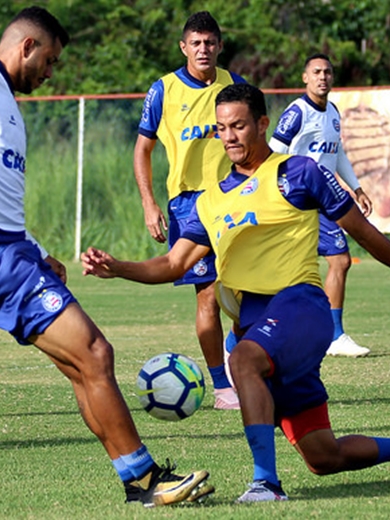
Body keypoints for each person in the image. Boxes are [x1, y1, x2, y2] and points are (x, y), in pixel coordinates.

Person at [81, 83, 390, 503]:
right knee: (323, 456)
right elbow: (172, 264)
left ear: (262, 124)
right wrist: (117, 267)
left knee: (242, 360)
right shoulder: (209, 202)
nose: (229, 137)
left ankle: (266, 483)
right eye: (221, 128)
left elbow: (365, 234)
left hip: (300, 307)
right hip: (256, 325)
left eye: (238, 126)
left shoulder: (297, 173)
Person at [0, 6, 210, 507]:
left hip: (11, 252)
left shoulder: (5, 106)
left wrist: (40, 251)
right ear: (27, 46)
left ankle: (137, 480)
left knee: (82, 366)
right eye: (50, 59)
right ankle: (148, 481)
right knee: (96, 353)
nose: (51, 72)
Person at [134, 11, 245, 409]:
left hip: (235, 198)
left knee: (249, 289)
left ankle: (236, 349)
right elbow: (142, 149)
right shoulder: (163, 89)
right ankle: (221, 387)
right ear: (184, 47)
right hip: (189, 205)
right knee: (208, 295)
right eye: (195, 43)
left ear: (219, 45)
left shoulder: (235, 86)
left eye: (210, 42)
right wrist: (149, 204)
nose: (203, 49)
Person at [269, 53, 374, 358]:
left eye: (327, 72)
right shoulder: (297, 112)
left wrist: (356, 188)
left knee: (336, 261)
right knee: (309, 267)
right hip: (300, 201)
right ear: (305, 77)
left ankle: (332, 335)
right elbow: (275, 152)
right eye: (316, 72)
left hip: (324, 201)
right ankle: (326, 335)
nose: (322, 77)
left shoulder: (333, 112)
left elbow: (337, 154)